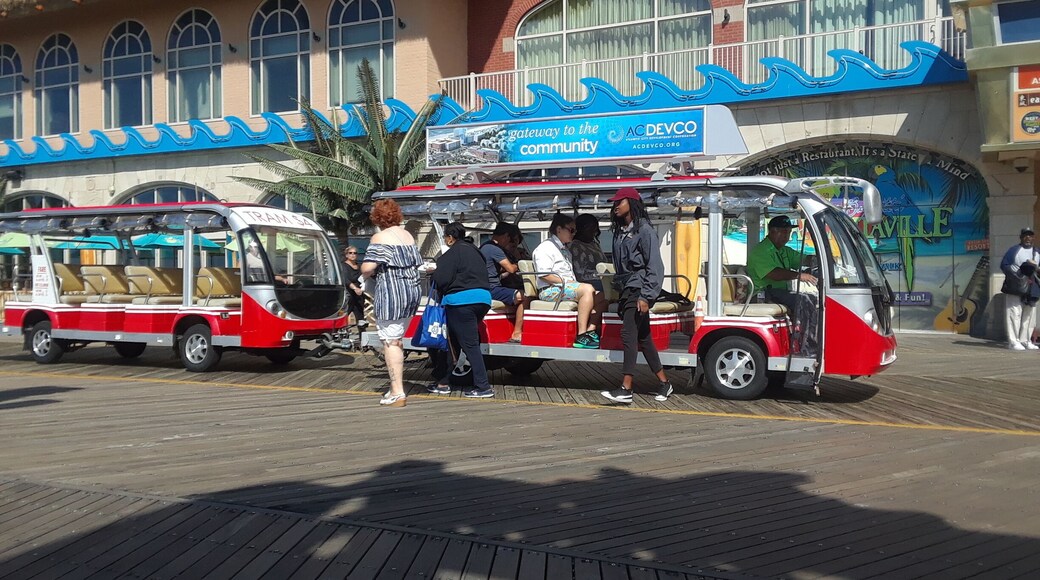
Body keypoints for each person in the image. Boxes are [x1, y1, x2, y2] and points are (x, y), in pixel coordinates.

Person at [600, 188, 673, 404]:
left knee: (628, 334)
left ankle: (626, 388)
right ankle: (664, 383)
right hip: (626, 289)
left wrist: (646, 296)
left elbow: (655, 266)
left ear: (631, 202)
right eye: (613, 203)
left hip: (639, 288)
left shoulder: (645, 230)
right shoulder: (619, 231)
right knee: (644, 338)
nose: (615, 206)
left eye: (618, 202)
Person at [361, 199, 424, 407]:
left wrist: (366, 273)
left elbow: (367, 268)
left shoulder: (380, 237)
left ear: (377, 217)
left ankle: (397, 391)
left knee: (390, 341)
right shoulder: (408, 236)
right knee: (397, 338)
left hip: (392, 294)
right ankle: (396, 389)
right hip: (411, 293)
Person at [432, 222, 495, 398]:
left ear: (450, 238)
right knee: (452, 342)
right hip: (483, 299)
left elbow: (440, 279)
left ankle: (483, 387)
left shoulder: (451, 254)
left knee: (469, 344)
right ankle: (443, 381)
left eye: (445, 237)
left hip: (461, 302)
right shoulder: (477, 252)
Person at [746, 215, 819, 354]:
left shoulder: (784, 251)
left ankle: (802, 342)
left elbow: (803, 259)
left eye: (789, 233)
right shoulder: (761, 251)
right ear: (773, 231)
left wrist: (819, 259)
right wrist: (799, 276)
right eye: (784, 232)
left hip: (779, 294)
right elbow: (774, 274)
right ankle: (807, 347)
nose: (788, 236)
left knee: (812, 297)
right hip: (763, 294)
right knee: (802, 300)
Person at [532, 213, 606, 349]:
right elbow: (544, 274)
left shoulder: (564, 249)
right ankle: (581, 334)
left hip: (563, 288)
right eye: (571, 230)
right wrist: (567, 282)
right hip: (549, 290)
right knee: (587, 289)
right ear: (559, 229)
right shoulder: (545, 247)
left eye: (575, 230)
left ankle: (590, 329)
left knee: (603, 295)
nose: (574, 233)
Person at [480, 222, 527, 343]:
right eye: (511, 241)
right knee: (525, 296)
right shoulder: (494, 249)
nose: (511, 244)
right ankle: (517, 332)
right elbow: (510, 268)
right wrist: (519, 264)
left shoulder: (485, 246)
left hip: (487, 286)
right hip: (492, 288)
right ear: (506, 236)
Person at [1000, 227, 1040, 351]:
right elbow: (1004, 265)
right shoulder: (1014, 250)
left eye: (1030, 235)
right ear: (1021, 237)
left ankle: (1026, 340)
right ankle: (1013, 341)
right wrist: (1018, 273)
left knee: (1029, 315)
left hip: (1032, 286)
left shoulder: (1037, 252)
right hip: (1016, 286)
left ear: (1033, 237)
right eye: (1025, 235)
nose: (1028, 238)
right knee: (1014, 313)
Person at [569, 213, 609, 292]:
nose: (593, 231)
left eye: (595, 228)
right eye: (590, 228)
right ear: (581, 229)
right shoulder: (575, 246)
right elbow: (579, 273)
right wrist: (599, 275)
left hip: (603, 278)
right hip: (587, 281)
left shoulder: (594, 244)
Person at [342, 245, 369, 331]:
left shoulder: (360, 266)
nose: (353, 255)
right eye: (350, 253)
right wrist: (355, 288)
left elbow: (364, 277)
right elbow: (346, 280)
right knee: (344, 316)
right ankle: (342, 336)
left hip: (359, 295)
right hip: (348, 294)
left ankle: (363, 340)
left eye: (355, 253)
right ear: (346, 255)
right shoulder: (343, 266)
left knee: (360, 318)